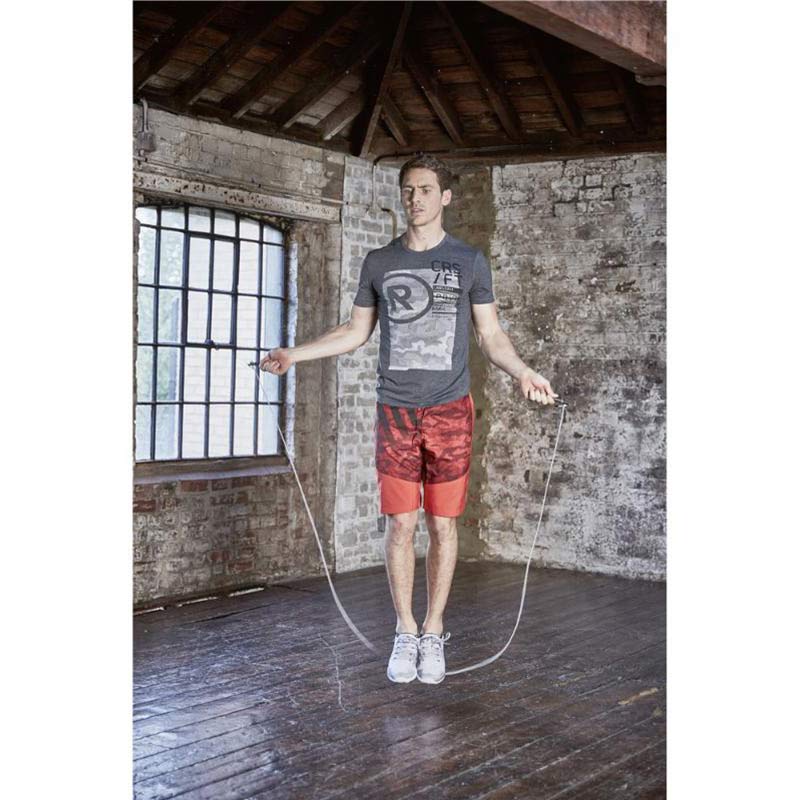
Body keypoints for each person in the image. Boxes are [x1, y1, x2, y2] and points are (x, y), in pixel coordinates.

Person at [261, 154, 557, 685]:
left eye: (425, 189)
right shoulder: (380, 261)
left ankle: (434, 630)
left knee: (442, 524)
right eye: (408, 190)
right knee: (401, 523)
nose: (415, 198)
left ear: (445, 197)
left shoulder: (469, 261)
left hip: (450, 413)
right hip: (395, 413)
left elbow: (491, 335)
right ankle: (405, 630)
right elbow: (355, 332)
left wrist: (523, 371)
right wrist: (293, 354)